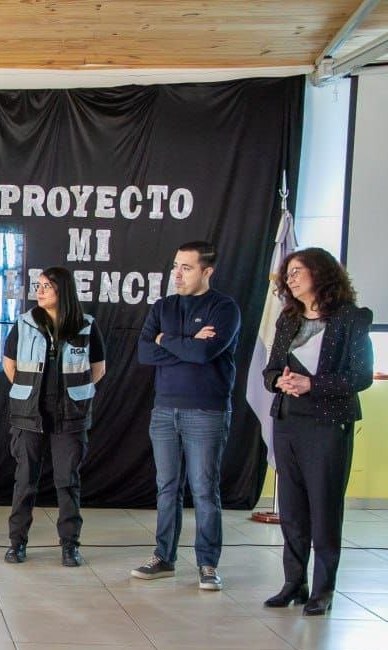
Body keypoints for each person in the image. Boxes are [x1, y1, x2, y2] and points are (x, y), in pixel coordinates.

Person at [262, 248, 374, 616]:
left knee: (324, 509)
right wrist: (279, 381)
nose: (290, 279)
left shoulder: (350, 318)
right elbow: (270, 371)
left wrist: (313, 384)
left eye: (297, 271)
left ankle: (323, 590)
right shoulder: (288, 318)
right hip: (288, 421)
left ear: (320, 273)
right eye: (288, 273)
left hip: (326, 425)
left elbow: (360, 377)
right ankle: (294, 583)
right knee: (292, 510)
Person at [133, 241, 241, 591]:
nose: (177, 274)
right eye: (176, 266)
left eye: (187, 268)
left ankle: (207, 564)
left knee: (204, 490)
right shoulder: (163, 306)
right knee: (167, 488)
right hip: (164, 409)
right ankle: (163, 557)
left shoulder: (224, 308)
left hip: (206, 410)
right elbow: (145, 353)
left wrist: (167, 339)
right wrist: (187, 340)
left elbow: (205, 353)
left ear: (207, 271)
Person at [2, 266, 106, 566]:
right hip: (29, 414)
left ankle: (70, 545)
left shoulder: (86, 325)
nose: (40, 291)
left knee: (67, 481)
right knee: (25, 481)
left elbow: (98, 369)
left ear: (64, 290)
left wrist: (73, 393)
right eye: (39, 285)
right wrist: (30, 392)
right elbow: (9, 365)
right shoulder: (24, 323)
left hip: (70, 415)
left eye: (47, 286)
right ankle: (17, 543)